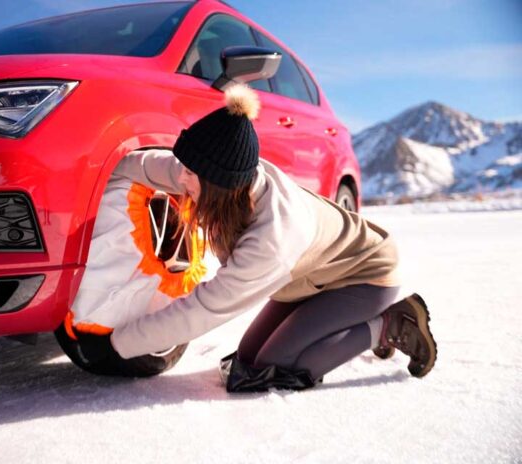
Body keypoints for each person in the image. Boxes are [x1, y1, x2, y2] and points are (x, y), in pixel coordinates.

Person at [75, 84, 437, 392]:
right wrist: (90, 172)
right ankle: (350, 322)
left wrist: (115, 344)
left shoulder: (273, 237)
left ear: (221, 188)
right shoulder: (217, 176)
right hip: (311, 279)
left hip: (365, 277)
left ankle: (388, 324)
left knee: (271, 369)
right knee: (247, 359)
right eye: (183, 168)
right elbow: (141, 165)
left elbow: (202, 309)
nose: (179, 179)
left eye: (189, 174)